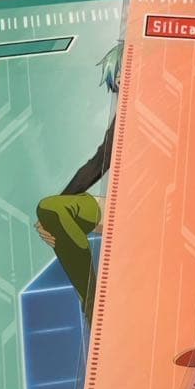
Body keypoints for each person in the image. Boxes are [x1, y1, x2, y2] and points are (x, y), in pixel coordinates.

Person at [34, 42, 122, 322]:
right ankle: (94, 303)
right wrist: (51, 220)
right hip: (124, 206)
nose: (122, 89)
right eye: (119, 84)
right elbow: (98, 163)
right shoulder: (124, 119)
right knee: (51, 208)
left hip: (160, 208)